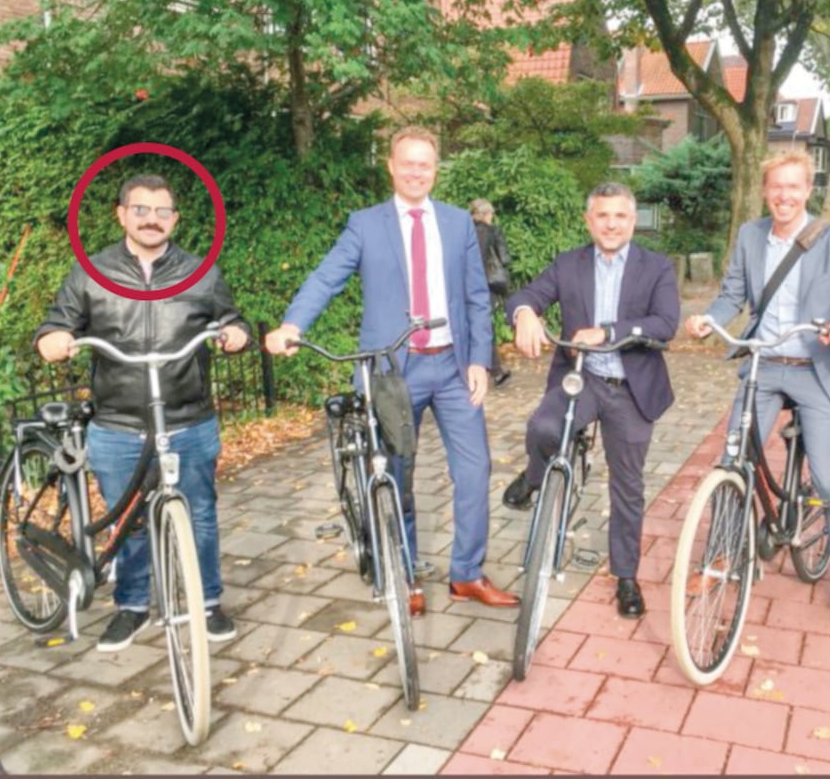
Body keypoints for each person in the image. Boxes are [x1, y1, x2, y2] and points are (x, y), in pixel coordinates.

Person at [265, 125, 519, 616]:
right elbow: (327, 276)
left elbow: (475, 296)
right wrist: (292, 325)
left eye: (425, 164)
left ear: (436, 169)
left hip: (452, 366)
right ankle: (405, 572)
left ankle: (467, 573)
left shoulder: (457, 223)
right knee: (396, 475)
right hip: (392, 372)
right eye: (408, 163)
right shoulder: (366, 224)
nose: (416, 172)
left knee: (475, 470)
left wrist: (479, 360)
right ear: (391, 167)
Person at [35, 173, 250, 651]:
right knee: (128, 521)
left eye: (162, 211)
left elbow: (231, 318)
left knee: (200, 514)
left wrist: (235, 333)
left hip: (188, 418)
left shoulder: (202, 272)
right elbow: (58, 322)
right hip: (119, 422)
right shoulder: (91, 272)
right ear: (122, 215)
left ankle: (208, 602)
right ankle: (131, 606)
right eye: (141, 210)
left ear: (175, 219)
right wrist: (53, 338)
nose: (152, 219)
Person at [685, 151, 830, 627]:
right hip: (764, 365)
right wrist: (709, 319)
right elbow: (732, 294)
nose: (784, 195)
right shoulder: (751, 235)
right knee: (732, 459)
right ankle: (721, 553)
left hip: (817, 367)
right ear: (765, 191)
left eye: (793, 186)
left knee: (829, 478)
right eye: (776, 187)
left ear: (808, 190)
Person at [503, 182, 680, 618]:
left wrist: (608, 332)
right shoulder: (569, 264)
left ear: (633, 221)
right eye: (603, 215)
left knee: (628, 486)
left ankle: (626, 576)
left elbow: (665, 323)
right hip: (580, 379)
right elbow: (527, 295)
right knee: (543, 428)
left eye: (620, 216)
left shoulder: (656, 266)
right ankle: (535, 476)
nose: (611, 224)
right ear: (589, 221)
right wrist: (524, 313)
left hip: (631, 387)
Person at [470, 198, 512, 387]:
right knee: (485, 326)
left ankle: (491, 369)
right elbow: (505, 259)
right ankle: (495, 370)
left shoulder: (464, 231)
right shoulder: (493, 232)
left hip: (463, 284)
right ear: (486, 214)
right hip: (485, 286)